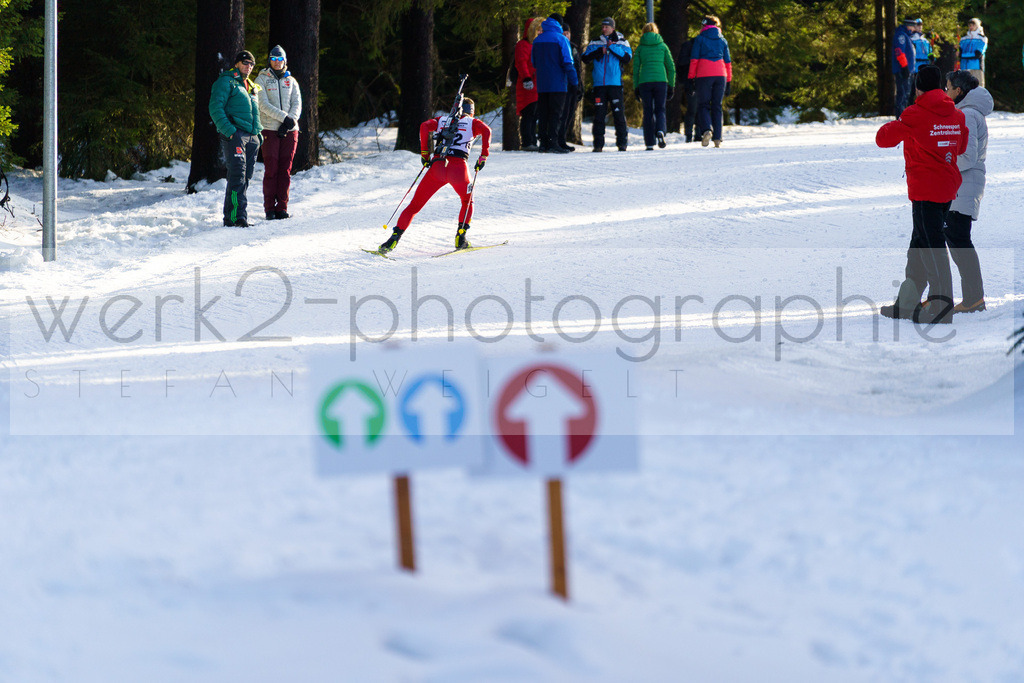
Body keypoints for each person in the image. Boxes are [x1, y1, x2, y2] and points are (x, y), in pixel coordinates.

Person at [876, 65, 967, 325]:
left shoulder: (915, 113)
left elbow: (883, 139)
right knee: (920, 243)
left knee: (931, 245)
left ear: (918, 87)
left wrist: (900, 122)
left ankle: (941, 306)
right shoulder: (956, 114)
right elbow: (960, 146)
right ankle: (907, 303)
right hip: (946, 188)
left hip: (926, 191)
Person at [376, 99, 491, 254]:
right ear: (471, 111)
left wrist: (425, 153)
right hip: (458, 169)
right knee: (467, 200)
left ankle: (392, 240)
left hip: (437, 167)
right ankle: (460, 238)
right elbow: (487, 130)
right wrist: (483, 156)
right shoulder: (473, 122)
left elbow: (424, 126)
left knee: (414, 206)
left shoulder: (443, 120)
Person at [943, 70, 992, 313]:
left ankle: (974, 299)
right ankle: (973, 297)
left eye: (948, 87)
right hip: (962, 183)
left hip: (966, 182)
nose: (945, 91)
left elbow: (968, 156)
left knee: (959, 239)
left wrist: (943, 165)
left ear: (959, 91)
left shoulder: (967, 115)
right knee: (956, 238)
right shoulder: (965, 113)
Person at [209, 50, 263, 227]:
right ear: (237, 64)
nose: (248, 67)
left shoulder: (250, 86)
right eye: (245, 63)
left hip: (251, 136)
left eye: (251, 64)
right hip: (236, 135)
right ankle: (234, 218)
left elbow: (255, 113)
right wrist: (230, 131)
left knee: (246, 176)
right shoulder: (226, 82)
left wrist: (258, 136)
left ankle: (241, 215)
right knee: (237, 176)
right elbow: (215, 108)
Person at [255, 45, 302, 220]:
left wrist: (290, 121)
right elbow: (263, 104)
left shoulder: (292, 81)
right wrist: (284, 118)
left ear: (285, 61)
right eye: (273, 59)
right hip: (269, 129)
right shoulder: (261, 80)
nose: (276, 62)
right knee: (271, 169)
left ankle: (282, 207)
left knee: (285, 170)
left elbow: (297, 103)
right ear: (269, 61)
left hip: (290, 130)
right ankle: (269, 208)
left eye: (279, 59)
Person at [530, 14, 580, 153]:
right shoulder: (561, 39)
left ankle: (544, 143)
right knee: (556, 114)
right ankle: (554, 142)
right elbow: (568, 62)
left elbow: (533, 62)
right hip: (558, 83)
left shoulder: (537, 40)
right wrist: (574, 82)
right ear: (559, 24)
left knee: (543, 113)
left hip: (542, 83)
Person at [582, 17, 632, 152]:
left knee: (618, 114)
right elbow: (585, 57)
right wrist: (600, 51)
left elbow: (627, 58)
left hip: (615, 84)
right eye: (602, 26)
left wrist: (612, 47)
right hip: (599, 85)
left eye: (606, 27)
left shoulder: (622, 42)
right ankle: (598, 145)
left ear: (612, 28)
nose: (603, 29)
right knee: (599, 115)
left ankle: (622, 143)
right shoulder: (595, 41)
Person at [688, 15, 732, 148]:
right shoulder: (723, 40)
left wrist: (691, 78)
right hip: (721, 74)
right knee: (717, 106)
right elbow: (728, 62)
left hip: (704, 74)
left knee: (703, 105)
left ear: (704, 26)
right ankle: (718, 138)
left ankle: (707, 129)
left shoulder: (700, 39)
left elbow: (694, 60)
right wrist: (728, 81)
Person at [633, 23, 675, 151]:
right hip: (661, 81)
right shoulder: (663, 46)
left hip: (645, 81)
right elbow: (671, 67)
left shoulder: (640, 48)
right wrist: (671, 85)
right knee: (660, 109)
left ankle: (649, 142)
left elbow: (636, 70)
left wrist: (636, 87)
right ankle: (661, 131)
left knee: (648, 112)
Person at [514, 18, 542, 151]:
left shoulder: (536, 44)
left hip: (536, 83)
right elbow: (521, 62)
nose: (541, 32)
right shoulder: (523, 45)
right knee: (529, 112)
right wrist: (526, 78)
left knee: (534, 113)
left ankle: (532, 140)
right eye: (538, 29)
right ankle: (527, 141)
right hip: (528, 84)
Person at [559, 23, 583, 152]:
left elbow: (578, 69)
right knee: (562, 114)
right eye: (564, 33)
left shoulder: (573, 48)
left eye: (567, 33)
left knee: (569, 115)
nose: (566, 36)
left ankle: (562, 139)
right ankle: (558, 139)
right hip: (564, 85)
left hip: (574, 85)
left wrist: (579, 85)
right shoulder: (560, 47)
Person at [893, 18, 916, 118]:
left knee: (906, 95)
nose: (914, 28)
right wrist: (904, 66)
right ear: (908, 25)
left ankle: (904, 117)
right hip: (902, 70)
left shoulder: (907, 36)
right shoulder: (901, 35)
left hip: (908, 70)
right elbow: (899, 52)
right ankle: (900, 117)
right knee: (902, 95)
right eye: (913, 26)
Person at [676, 35, 697, 143]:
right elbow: (681, 63)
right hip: (693, 80)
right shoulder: (690, 45)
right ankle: (691, 134)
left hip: (691, 80)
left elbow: (680, 64)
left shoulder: (689, 45)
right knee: (694, 108)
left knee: (694, 108)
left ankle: (693, 134)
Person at [959, 18, 988, 88]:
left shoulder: (982, 38)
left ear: (977, 26)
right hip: (964, 68)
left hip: (976, 68)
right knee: (964, 90)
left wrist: (962, 55)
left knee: (978, 89)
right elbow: (958, 52)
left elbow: (977, 54)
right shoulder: (963, 39)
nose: (971, 27)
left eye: (973, 25)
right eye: (970, 25)